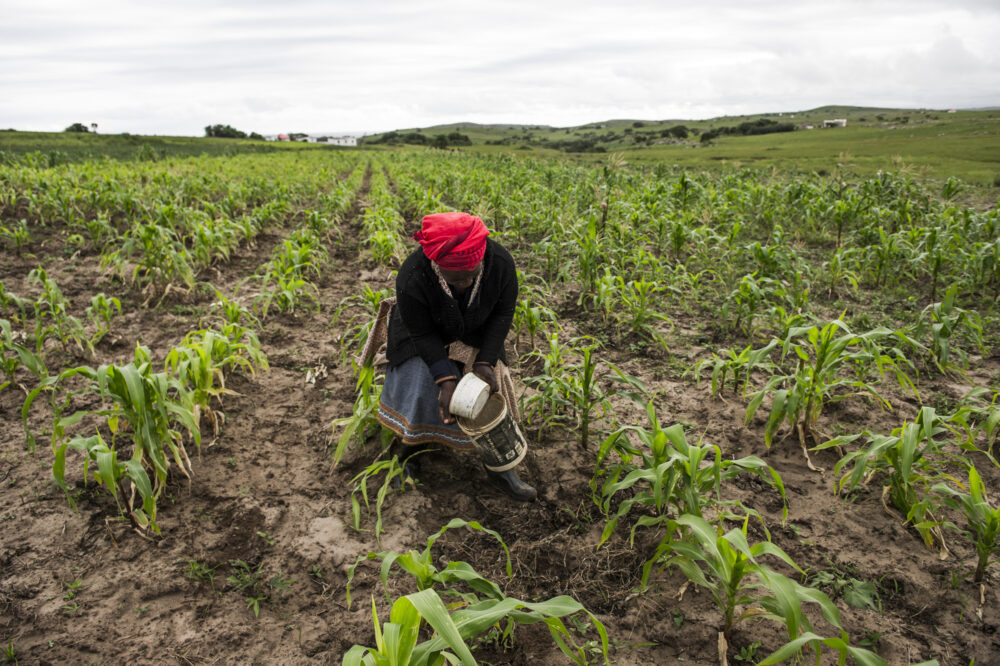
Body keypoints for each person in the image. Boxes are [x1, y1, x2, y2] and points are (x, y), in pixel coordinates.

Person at [374, 211, 537, 501]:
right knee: (424, 382)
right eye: (455, 279)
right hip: (423, 332)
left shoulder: (500, 264)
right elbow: (422, 334)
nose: (463, 284)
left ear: (481, 260)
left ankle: (499, 468)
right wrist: (445, 379)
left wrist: (485, 361)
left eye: (470, 277)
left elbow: (502, 313)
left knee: (488, 390)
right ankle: (409, 453)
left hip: (477, 327)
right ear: (437, 265)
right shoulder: (413, 274)